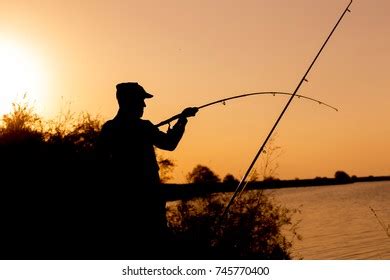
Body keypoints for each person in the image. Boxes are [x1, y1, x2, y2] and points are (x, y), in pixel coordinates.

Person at [97, 82, 197, 257]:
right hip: (147, 199)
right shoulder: (143, 127)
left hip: (118, 200)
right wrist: (182, 120)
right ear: (130, 101)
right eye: (141, 100)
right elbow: (169, 143)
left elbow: (99, 163)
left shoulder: (109, 128)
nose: (144, 105)